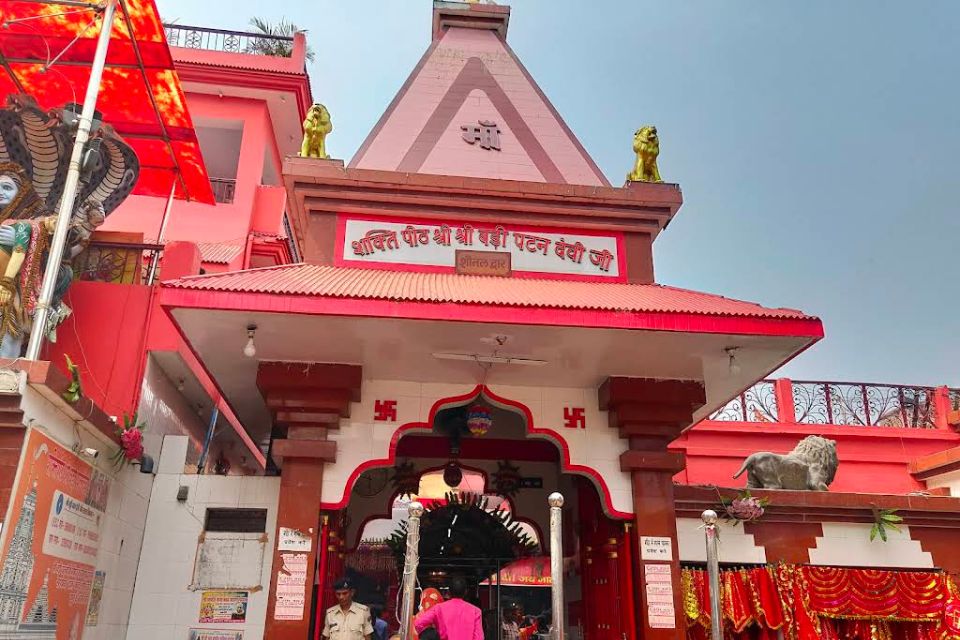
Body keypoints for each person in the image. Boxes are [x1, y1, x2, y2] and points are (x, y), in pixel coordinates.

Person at [414, 577, 483, 640]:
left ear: (449, 592)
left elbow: (418, 623)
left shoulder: (439, 608)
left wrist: (431, 635)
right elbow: (479, 638)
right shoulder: (476, 611)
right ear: (466, 592)